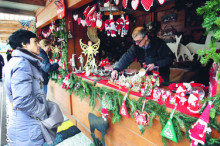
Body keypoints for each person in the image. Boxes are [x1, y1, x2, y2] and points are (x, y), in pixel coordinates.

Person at [4, 29, 48, 145]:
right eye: (35, 42)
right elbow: (22, 100)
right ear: (24, 44)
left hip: (24, 124)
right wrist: (43, 110)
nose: (38, 45)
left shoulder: (15, 61)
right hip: (28, 128)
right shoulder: (22, 63)